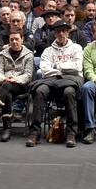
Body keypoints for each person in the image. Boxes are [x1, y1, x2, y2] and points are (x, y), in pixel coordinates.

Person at [28, 19, 82, 148]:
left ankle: (71, 133)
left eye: (64, 31)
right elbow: (45, 70)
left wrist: (57, 66)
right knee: (40, 90)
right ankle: (34, 132)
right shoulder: (48, 51)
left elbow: (77, 67)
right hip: (51, 80)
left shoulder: (76, 48)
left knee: (69, 92)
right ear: (54, 34)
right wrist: (63, 70)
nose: (61, 34)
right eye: (58, 31)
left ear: (68, 32)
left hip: (71, 80)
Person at [0, 29, 34, 142]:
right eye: (12, 40)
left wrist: (15, 79)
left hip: (21, 85)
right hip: (4, 84)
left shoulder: (29, 55)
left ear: (22, 40)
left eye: (17, 39)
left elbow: (28, 75)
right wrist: (5, 79)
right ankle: (7, 129)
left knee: (6, 86)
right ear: (9, 41)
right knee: (8, 95)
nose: (14, 42)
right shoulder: (2, 54)